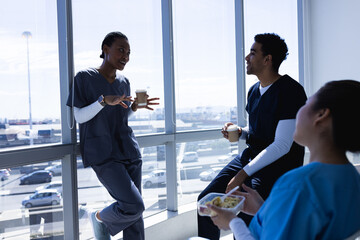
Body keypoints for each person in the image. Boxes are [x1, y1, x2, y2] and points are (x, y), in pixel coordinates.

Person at [209, 80, 360, 240]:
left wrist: (233, 222)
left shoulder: (297, 185)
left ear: (321, 115)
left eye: (305, 104)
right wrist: (264, 209)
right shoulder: (352, 179)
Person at [197, 33, 307, 240]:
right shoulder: (254, 91)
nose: (247, 57)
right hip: (252, 157)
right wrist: (240, 133)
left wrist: (241, 175)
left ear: (268, 59)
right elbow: (259, 131)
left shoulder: (290, 91)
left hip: (279, 166)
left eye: (253, 53)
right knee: (206, 202)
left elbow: (282, 144)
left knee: (247, 211)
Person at [67, 31, 159, 240]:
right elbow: (80, 116)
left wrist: (134, 107)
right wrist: (102, 101)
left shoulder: (124, 81)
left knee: (136, 216)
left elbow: (119, 114)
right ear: (105, 49)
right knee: (134, 206)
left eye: (128, 52)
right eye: (121, 50)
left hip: (129, 149)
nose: (125, 56)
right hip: (103, 153)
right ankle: (99, 218)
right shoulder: (84, 77)